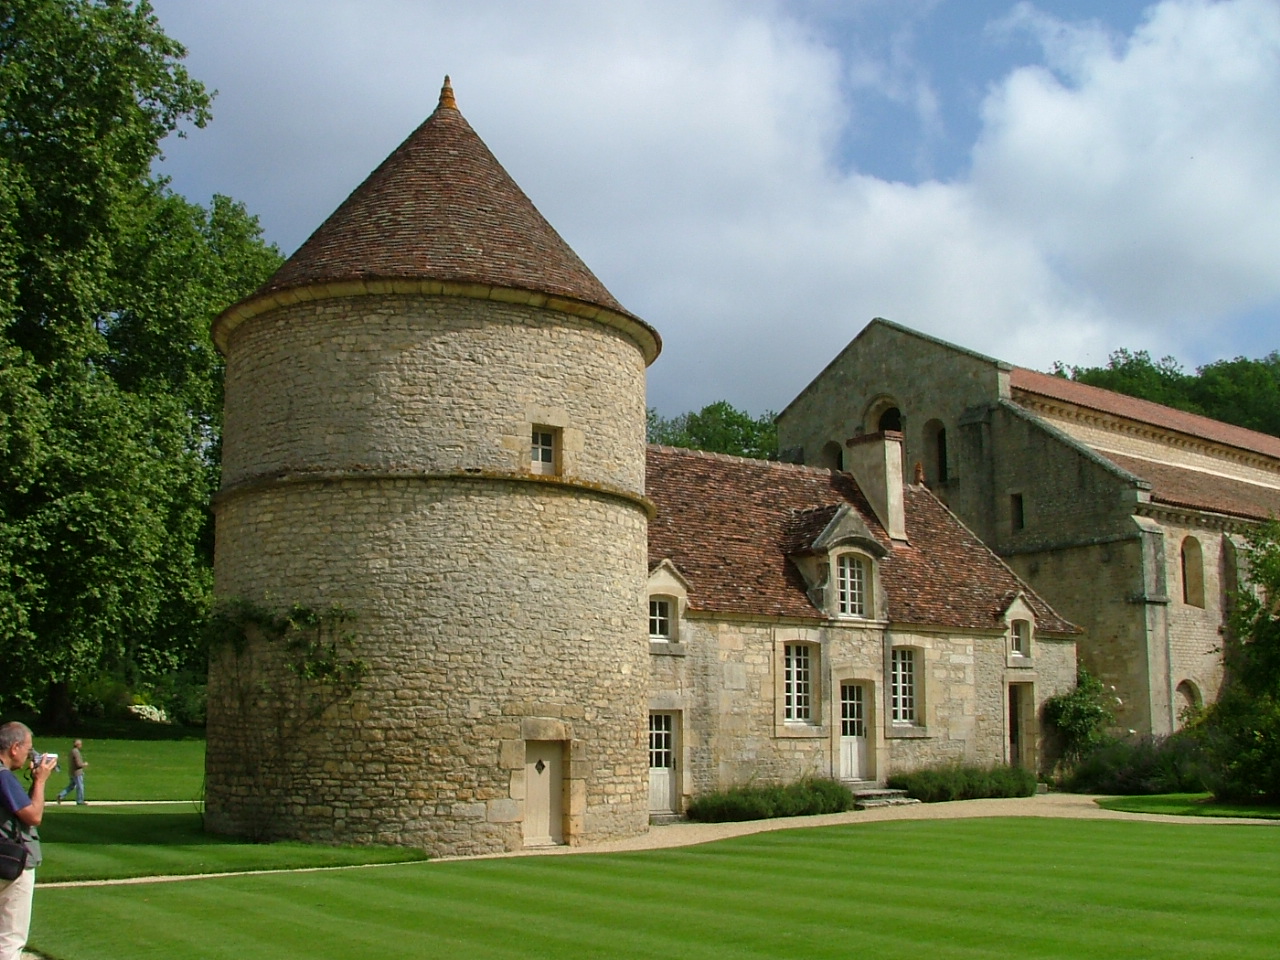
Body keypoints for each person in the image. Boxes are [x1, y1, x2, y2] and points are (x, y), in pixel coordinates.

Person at [0, 722, 55, 960]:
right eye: (27, 748)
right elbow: (33, 816)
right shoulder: (4, 777)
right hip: (11, 862)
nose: (29, 754)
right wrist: (41, 781)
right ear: (14, 748)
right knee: (10, 939)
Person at [55, 739, 88, 805]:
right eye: (80, 744)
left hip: (72, 772)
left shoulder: (72, 751)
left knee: (71, 786)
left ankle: (61, 795)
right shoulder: (76, 752)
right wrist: (84, 764)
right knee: (80, 786)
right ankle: (80, 800)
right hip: (77, 773)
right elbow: (78, 764)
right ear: (78, 745)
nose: (81, 746)